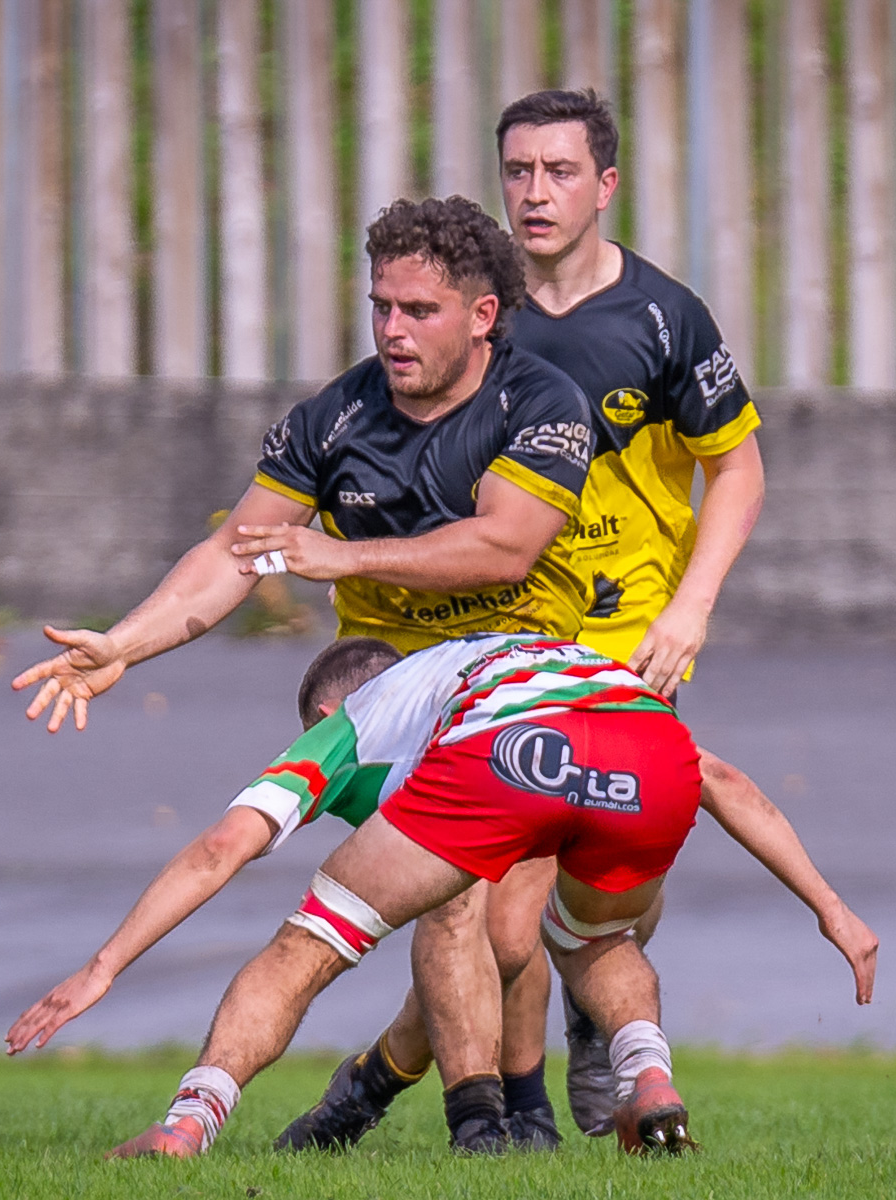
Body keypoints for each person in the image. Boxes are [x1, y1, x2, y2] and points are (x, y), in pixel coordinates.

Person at [283, 88, 773, 1149]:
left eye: (558, 172)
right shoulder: (469, 309)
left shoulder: (660, 317)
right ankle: (520, 1105)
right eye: (518, 171)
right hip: (502, 624)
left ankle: (455, 1073)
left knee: (556, 911)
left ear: (605, 186)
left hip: (625, 629)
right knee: (493, 906)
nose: (535, 192)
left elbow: (738, 469)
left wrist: (689, 610)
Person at [5, 634, 878, 1158]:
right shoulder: (525, 659)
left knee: (307, 945)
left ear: (329, 709)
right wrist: (832, 910)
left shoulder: (355, 720)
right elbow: (720, 776)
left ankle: (189, 1125)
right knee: (596, 943)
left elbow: (222, 845)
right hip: (645, 743)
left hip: (506, 750)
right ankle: (648, 1077)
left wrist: (103, 966)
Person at [11, 195, 594, 735]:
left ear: (481, 316)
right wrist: (121, 646)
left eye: (420, 311)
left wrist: (345, 556)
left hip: (520, 674)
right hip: (384, 689)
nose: (393, 332)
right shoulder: (332, 418)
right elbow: (231, 555)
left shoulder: (542, 402)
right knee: (236, 836)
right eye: (382, 308)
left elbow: (505, 549)